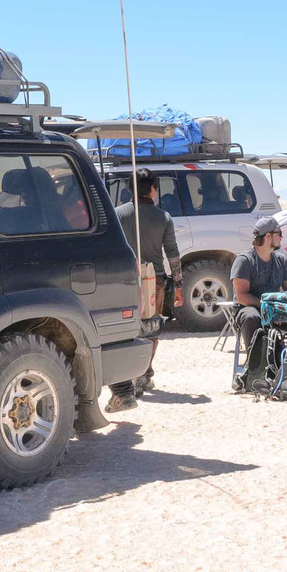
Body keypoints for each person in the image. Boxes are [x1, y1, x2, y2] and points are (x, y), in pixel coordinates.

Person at [108, 172, 183, 413]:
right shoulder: (163, 217)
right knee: (151, 326)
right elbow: (172, 253)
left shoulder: (117, 214)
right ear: (152, 189)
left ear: (131, 189)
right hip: (155, 281)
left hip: (124, 279)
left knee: (126, 328)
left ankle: (129, 376)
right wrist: (179, 285)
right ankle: (144, 373)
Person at [229, 216, 287, 352]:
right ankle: (255, 366)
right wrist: (268, 309)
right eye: (279, 234)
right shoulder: (244, 261)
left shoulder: (281, 260)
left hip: (274, 309)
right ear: (268, 236)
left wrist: (283, 310)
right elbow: (242, 297)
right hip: (249, 309)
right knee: (251, 316)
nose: (282, 237)